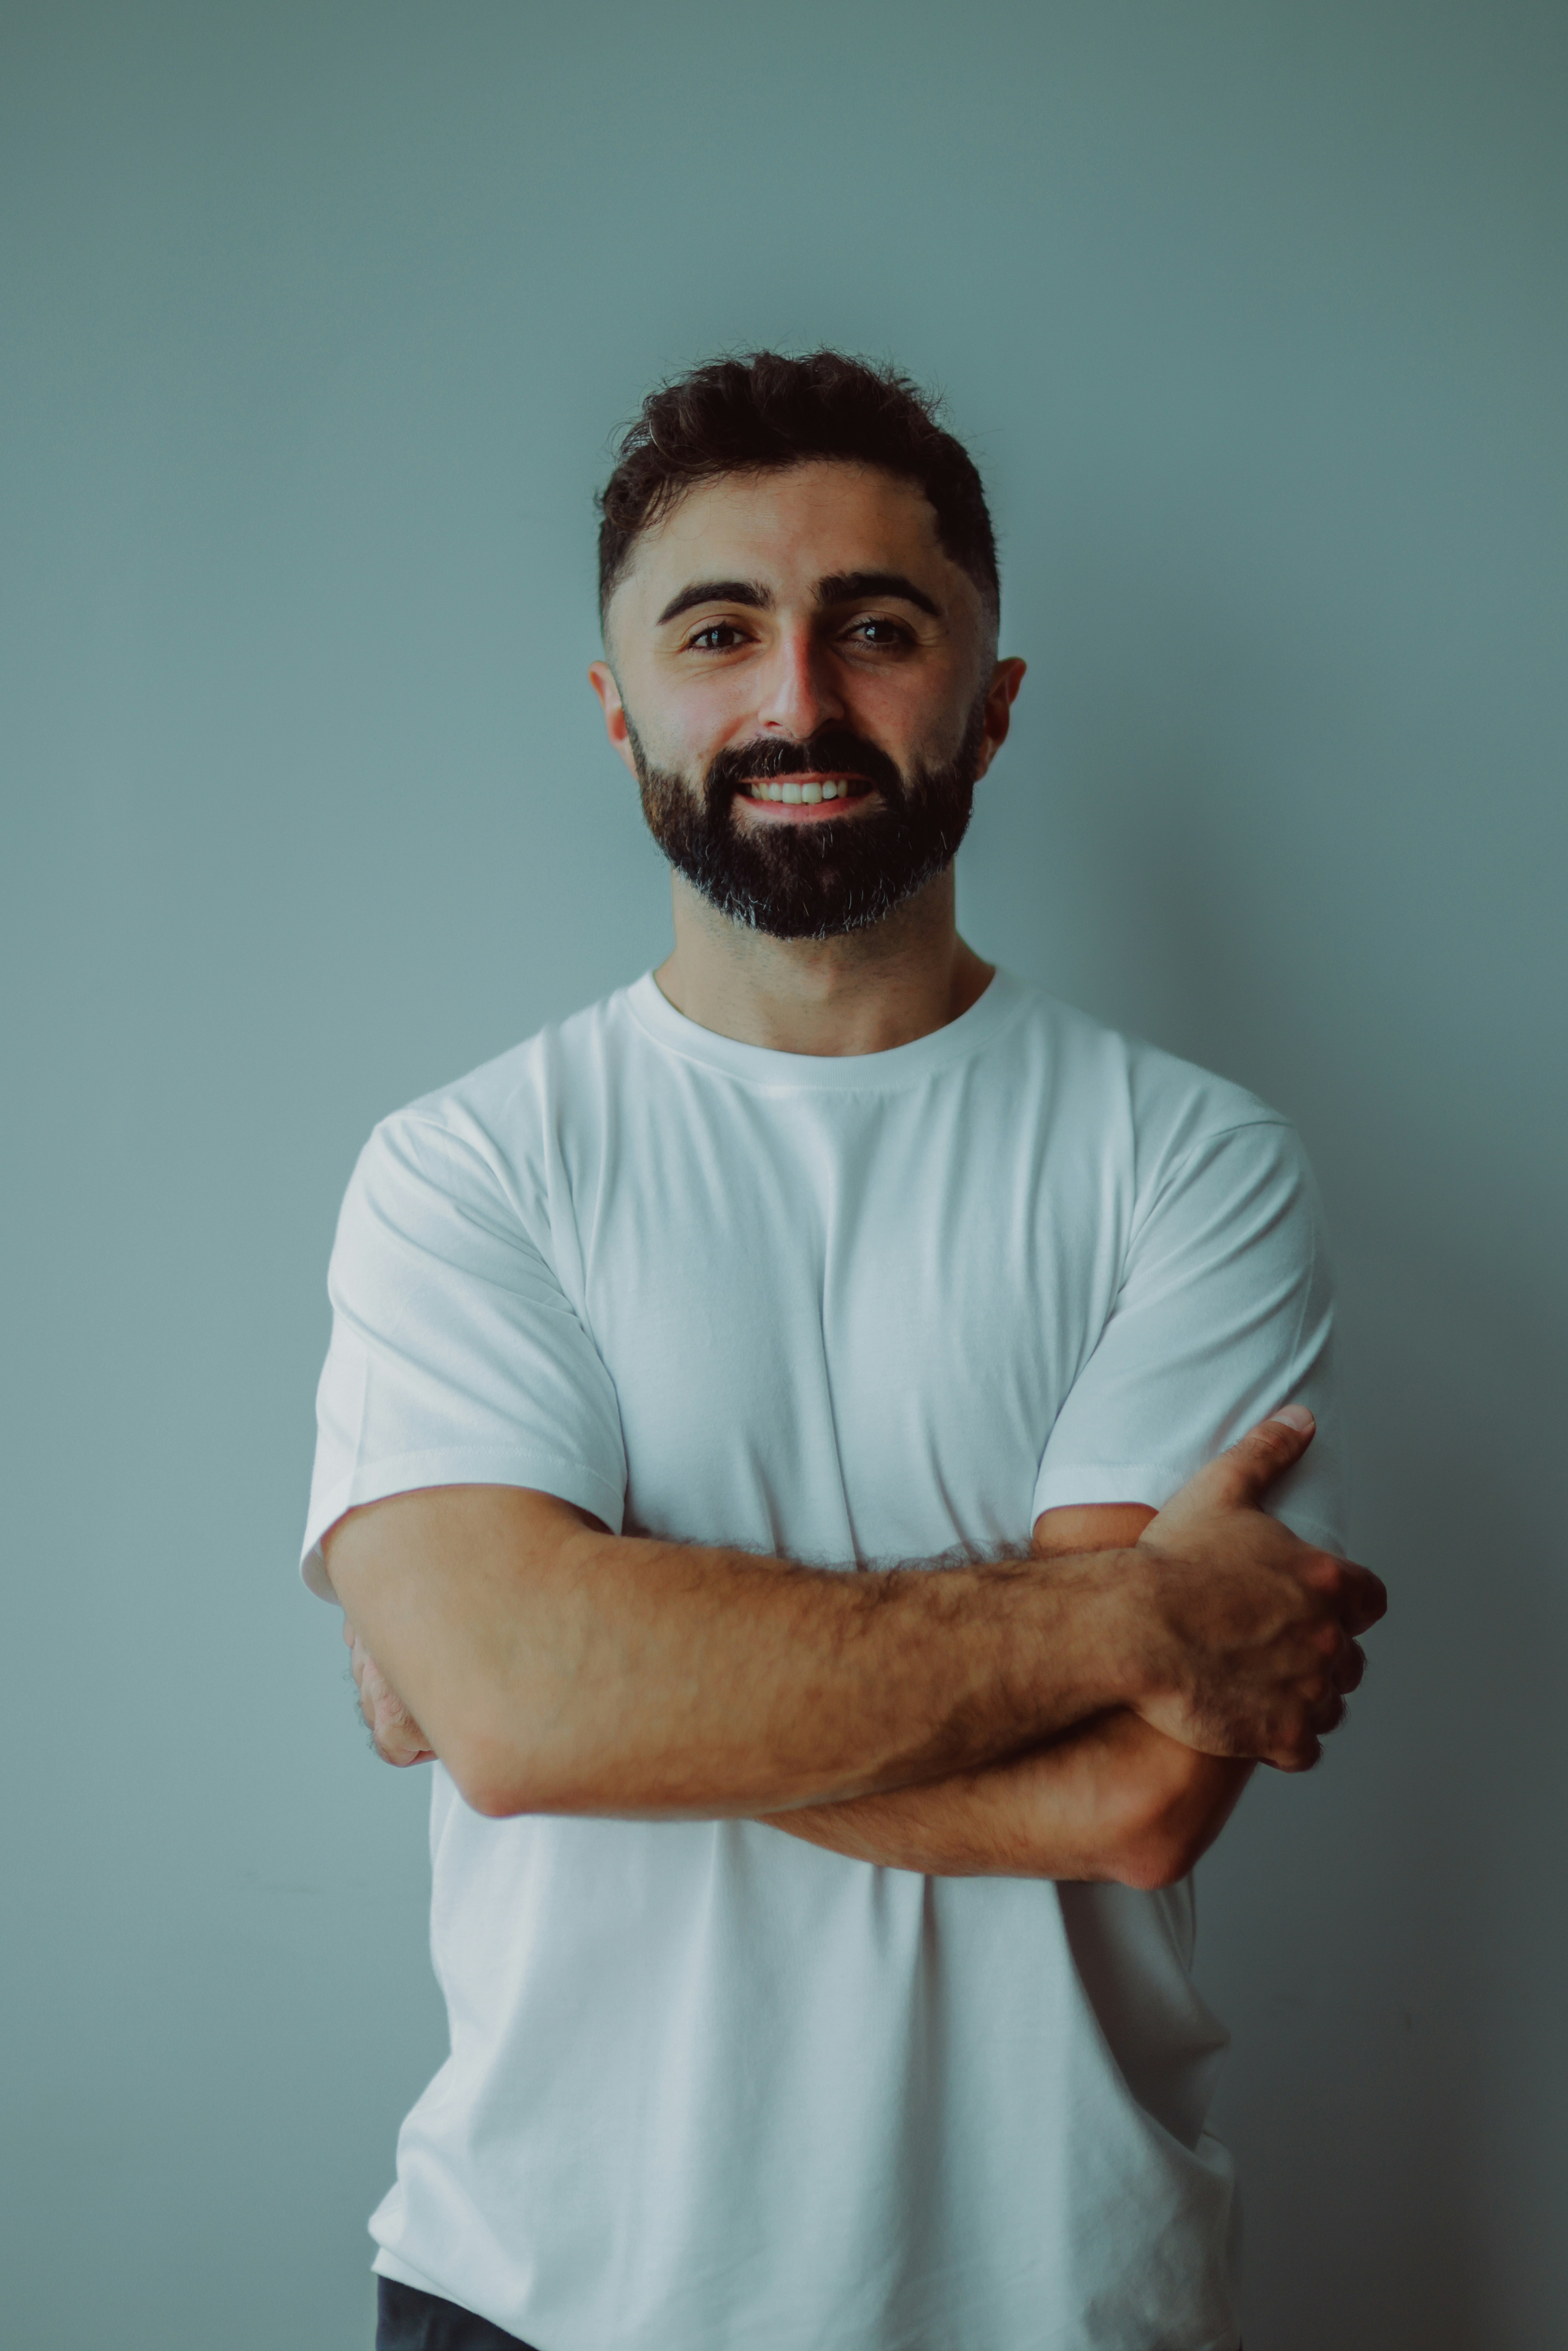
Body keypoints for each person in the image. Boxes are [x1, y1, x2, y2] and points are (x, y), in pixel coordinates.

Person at [304, 350, 1385, 2351]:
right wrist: (1129, 1617)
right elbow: (530, 1712)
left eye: (875, 629)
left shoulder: (1189, 1162)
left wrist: (572, 1679)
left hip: (1056, 2295)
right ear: (618, 704)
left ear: (991, 698)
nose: (796, 701)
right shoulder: (468, 1170)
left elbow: (1137, 1798)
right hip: (543, 2296)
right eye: (718, 632)